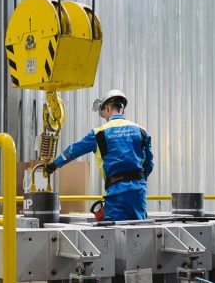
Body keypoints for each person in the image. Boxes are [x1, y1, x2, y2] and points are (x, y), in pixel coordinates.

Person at [44, 90, 154, 221]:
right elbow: (149, 164)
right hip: (138, 193)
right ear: (122, 109)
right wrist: (138, 181)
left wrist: (54, 164)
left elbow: (74, 150)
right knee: (140, 233)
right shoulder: (141, 131)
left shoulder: (99, 134)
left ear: (107, 108)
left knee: (116, 236)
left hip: (116, 193)